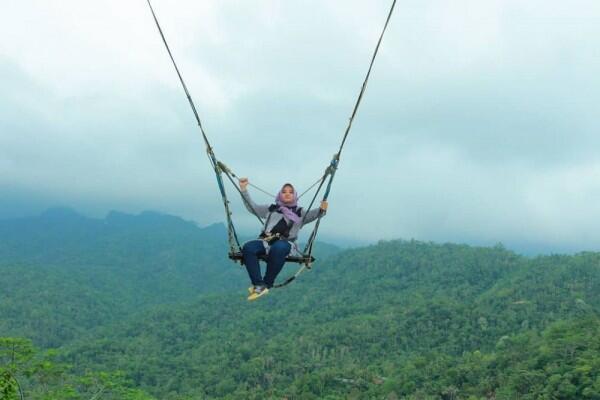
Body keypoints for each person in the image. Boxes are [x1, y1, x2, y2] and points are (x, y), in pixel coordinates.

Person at [239, 178, 328, 300]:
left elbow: (315, 214)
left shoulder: (300, 212)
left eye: (291, 192)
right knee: (248, 247)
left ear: (295, 195)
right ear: (280, 194)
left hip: (286, 244)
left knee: (279, 247)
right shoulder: (271, 208)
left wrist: (322, 209)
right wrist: (243, 189)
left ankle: (267, 283)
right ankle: (258, 284)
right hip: (266, 241)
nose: (287, 193)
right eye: (284, 191)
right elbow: (252, 207)